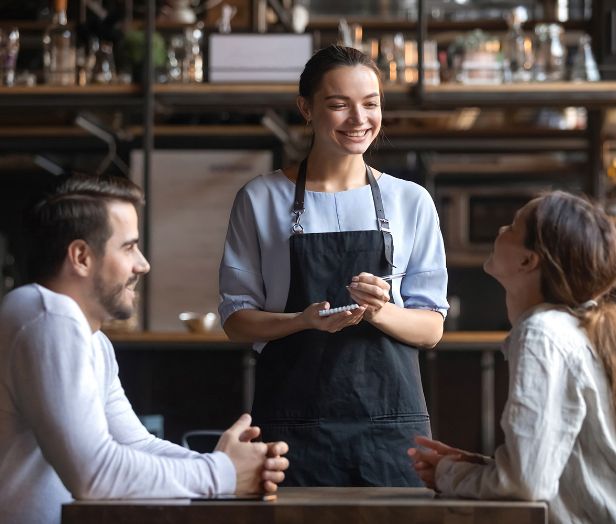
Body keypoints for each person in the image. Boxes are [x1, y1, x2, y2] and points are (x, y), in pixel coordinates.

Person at [218, 45, 448, 486]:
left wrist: (382, 311)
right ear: (306, 108)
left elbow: (431, 327)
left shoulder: (411, 201)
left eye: (371, 104)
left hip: (390, 427)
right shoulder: (261, 198)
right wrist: (302, 321)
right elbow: (236, 320)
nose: (359, 119)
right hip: (292, 426)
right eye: (339, 105)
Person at [0, 174, 289, 524]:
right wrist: (223, 473)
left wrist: (236, 465)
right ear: (80, 256)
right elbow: (95, 472)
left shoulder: (93, 339)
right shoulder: (47, 314)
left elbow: (136, 444)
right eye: (128, 247)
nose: (143, 264)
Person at [409, 191, 616, 523]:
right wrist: (482, 466)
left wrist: (449, 474)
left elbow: (525, 484)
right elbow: (552, 468)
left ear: (527, 261)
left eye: (513, 226)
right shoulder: (571, 328)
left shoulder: (541, 333)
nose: (501, 229)